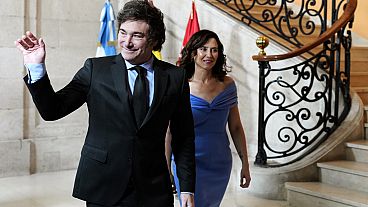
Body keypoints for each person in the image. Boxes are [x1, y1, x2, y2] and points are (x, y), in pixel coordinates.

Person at [14, 0, 196, 206]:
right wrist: (36, 67)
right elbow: (52, 110)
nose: (126, 42)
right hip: (103, 184)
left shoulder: (175, 77)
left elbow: (184, 137)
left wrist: (187, 187)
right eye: (123, 32)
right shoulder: (95, 70)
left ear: (154, 39)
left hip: (152, 188)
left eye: (137, 35)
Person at [170, 29, 251, 207]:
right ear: (193, 53)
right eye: (203, 49)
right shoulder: (180, 84)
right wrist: (165, 167)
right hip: (188, 162)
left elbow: (236, 127)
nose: (209, 55)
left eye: (214, 50)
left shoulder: (228, 84)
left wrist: (245, 163)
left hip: (219, 162)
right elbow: (169, 131)